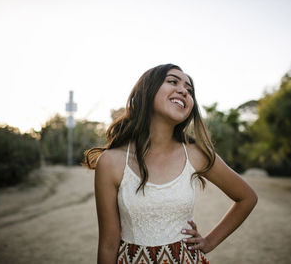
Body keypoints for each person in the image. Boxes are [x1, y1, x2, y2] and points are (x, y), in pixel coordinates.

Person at [83, 64, 258, 264]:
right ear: (147, 91)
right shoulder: (111, 162)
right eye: (173, 81)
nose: (183, 91)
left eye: (190, 90)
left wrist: (209, 242)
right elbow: (107, 245)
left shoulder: (196, 154)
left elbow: (247, 197)